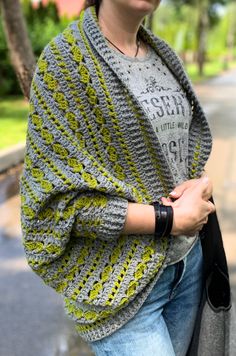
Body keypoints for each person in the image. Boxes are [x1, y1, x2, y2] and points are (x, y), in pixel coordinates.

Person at [20, 0, 216, 355]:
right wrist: (168, 219)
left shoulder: (163, 55)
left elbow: (185, 153)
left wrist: (202, 185)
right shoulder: (64, 64)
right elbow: (54, 208)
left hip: (187, 268)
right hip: (122, 289)